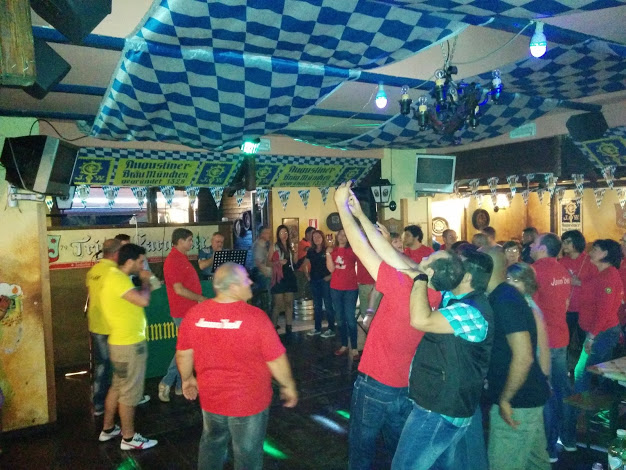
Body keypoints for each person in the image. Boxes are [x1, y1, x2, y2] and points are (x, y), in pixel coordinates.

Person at [332, 182, 439, 469]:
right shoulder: (435, 294)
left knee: (361, 450)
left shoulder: (404, 287)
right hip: (405, 386)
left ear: (430, 271)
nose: (426, 255)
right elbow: (402, 261)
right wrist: (363, 217)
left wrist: (342, 207)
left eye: (432, 257)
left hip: (376, 385)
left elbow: (359, 248)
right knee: (396, 451)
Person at [176, 262, 298, 470]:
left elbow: (183, 354)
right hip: (248, 403)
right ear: (233, 287)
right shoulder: (256, 317)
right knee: (247, 455)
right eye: (245, 279)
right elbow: (276, 359)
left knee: (212, 445)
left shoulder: (195, 314)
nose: (250, 282)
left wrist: (187, 379)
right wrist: (288, 386)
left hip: (211, 399)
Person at [392, 250, 494, 470]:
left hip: (440, 410)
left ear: (467, 277)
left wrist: (421, 279)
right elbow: (416, 266)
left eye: (457, 265)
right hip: (442, 406)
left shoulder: (472, 312)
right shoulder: (453, 296)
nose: (450, 268)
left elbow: (421, 320)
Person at [485, 252, 551, 470]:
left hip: (519, 400)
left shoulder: (507, 301)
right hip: (529, 396)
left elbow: (527, 356)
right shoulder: (507, 297)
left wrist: (506, 399)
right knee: (536, 461)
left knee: (504, 464)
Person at [98, 243, 157, 450]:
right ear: (130, 261)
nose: (143, 266)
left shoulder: (114, 277)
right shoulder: (118, 279)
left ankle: (108, 429)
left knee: (118, 386)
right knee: (130, 392)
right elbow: (143, 301)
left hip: (120, 342)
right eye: (141, 261)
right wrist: (146, 281)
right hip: (129, 344)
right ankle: (129, 438)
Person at [530, 232, 575, 462]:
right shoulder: (563, 271)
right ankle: (568, 439)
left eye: (534, 243)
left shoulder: (534, 271)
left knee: (545, 392)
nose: (531, 245)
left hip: (544, 341)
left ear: (542, 248)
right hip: (561, 337)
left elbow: (531, 309)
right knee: (562, 390)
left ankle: (548, 447)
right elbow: (565, 303)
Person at [159, 228, 207, 403]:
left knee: (185, 347)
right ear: (180, 241)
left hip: (189, 310)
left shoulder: (181, 257)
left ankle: (180, 386)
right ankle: (167, 382)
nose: (191, 243)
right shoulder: (173, 260)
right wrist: (200, 298)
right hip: (182, 311)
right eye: (189, 240)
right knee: (186, 349)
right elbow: (179, 289)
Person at [574, 239, 623, 393]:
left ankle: (581, 405)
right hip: (600, 331)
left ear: (605, 254)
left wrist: (591, 337)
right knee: (602, 373)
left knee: (581, 372)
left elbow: (604, 312)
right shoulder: (602, 273)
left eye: (595, 250)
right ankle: (602, 403)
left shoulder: (608, 277)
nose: (590, 252)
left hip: (602, 332)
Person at [86, 238, 121, 417]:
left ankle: (99, 402)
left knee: (102, 364)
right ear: (116, 254)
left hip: (95, 322)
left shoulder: (94, 270)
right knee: (111, 365)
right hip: (110, 325)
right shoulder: (114, 272)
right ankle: (102, 403)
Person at [559, 230, 597, 368]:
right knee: (564, 341)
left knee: (584, 342)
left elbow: (598, 284)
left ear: (577, 242)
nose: (564, 245)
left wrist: (579, 283)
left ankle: (584, 370)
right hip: (567, 308)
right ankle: (566, 368)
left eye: (568, 242)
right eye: (563, 242)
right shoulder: (562, 261)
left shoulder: (590, 261)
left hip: (584, 308)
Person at [327, 229, 359, 359]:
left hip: (350, 288)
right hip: (335, 288)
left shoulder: (352, 251)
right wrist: (328, 254)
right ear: (337, 236)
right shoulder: (332, 251)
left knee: (350, 319)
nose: (342, 237)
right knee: (340, 318)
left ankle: (355, 348)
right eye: (340, 234)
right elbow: (331, 269)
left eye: (345, 235)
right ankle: (344, 345)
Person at [304, 230, 336, 337]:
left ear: (323, 237)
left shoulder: (327, 250)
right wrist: (307, 275)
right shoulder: (311, 251)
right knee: (317, 305)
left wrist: (330, 276)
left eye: (318, 236)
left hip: (325, 280)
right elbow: (305, 264)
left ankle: (331, 328)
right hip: (314, 280)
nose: (317, 239)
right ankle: (317, 328)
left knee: (328, 304)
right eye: (314, 237)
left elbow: (336, 264)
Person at [270, 224, 300, 334]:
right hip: (279, 275)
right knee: (277, 304)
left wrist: (295, 253)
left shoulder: (290, 246)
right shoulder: (274, 246)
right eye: (282, 232)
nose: (284, 235)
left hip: (289, 275)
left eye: (286, 232)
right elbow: (267, 262)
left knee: (289, 303)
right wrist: (278, 262)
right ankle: (273, 328)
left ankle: (289, 327)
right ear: (278, 234)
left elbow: (295, 262)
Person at [250, 227, 272, 314]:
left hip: (262, 271)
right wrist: (267, 274)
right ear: (262, 234)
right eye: (267, 233)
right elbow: (258, 263)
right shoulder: (258, 246)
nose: (269, 235)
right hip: (259, 272)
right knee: (266, 294)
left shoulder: (265, 245)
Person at [296, 227, 315, 299]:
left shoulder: (309, 243)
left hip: (309, 271)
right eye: (312, 234)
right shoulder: (302, 243)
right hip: (301, 272)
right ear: (307, 234)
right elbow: (307, 249)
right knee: (302, 292)